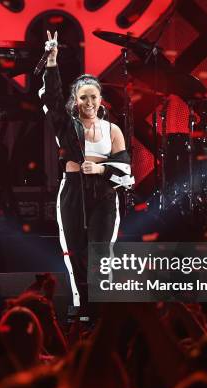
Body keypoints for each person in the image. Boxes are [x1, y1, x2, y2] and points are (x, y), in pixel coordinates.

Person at [38, 31, 134, 310]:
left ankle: (101, 307)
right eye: (83, 98)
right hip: (73, 190)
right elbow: (53, 100)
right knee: (76, 253)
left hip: (103, 194)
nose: (89, 103)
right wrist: (52, 61)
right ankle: (85, 308)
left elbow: (126, 171)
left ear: (101, 99)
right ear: (76, 100)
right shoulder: (67, 125)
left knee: (100, 253)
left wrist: (101, 169)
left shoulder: (112, 129)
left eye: (93, 97)